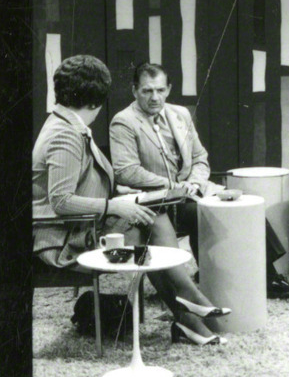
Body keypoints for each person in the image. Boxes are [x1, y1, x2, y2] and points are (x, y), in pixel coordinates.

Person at [33, 55, 230, 346]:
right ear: (97, 97)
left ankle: (189, 316)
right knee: (149, 224)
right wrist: (115, 205)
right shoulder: (65, 133)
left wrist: (124, 197)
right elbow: (61, 202)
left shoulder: (66, 123)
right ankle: (191, 305)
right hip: (62, 241)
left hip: (80, 226)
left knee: (150, 216)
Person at [109, 63, 289, 300]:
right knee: (204, 212)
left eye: (160, 90)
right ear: (134, 90)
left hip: (191, 190)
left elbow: (199, 157)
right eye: (147, 91)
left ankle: (266, 275)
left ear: (169, 89)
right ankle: (234, 277)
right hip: (157, 201)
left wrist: (194, 182)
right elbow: (126, 171)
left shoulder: (179, 114)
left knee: (245, 206)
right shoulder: (124, 122)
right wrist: (173, 186)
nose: (155, 97)